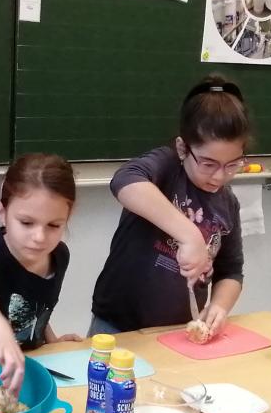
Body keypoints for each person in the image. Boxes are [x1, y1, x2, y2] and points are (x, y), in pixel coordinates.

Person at [90, 76, 249, 337]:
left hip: (178, 329)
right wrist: (190, 236)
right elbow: (124, 180)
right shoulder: (167, 168)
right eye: (208, 164)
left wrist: (219, 306)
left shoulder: (227, 203)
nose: (219, 176)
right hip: (118, 324)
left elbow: (231, 271)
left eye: (232, 165)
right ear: (182, 148)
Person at [0, 153, 82, 395]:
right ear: (2, 213)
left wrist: (52, 341)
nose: (39, 237)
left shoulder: (59, 256)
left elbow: (36, 308)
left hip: (28, 371)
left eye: (54, 225)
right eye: (26, 222)